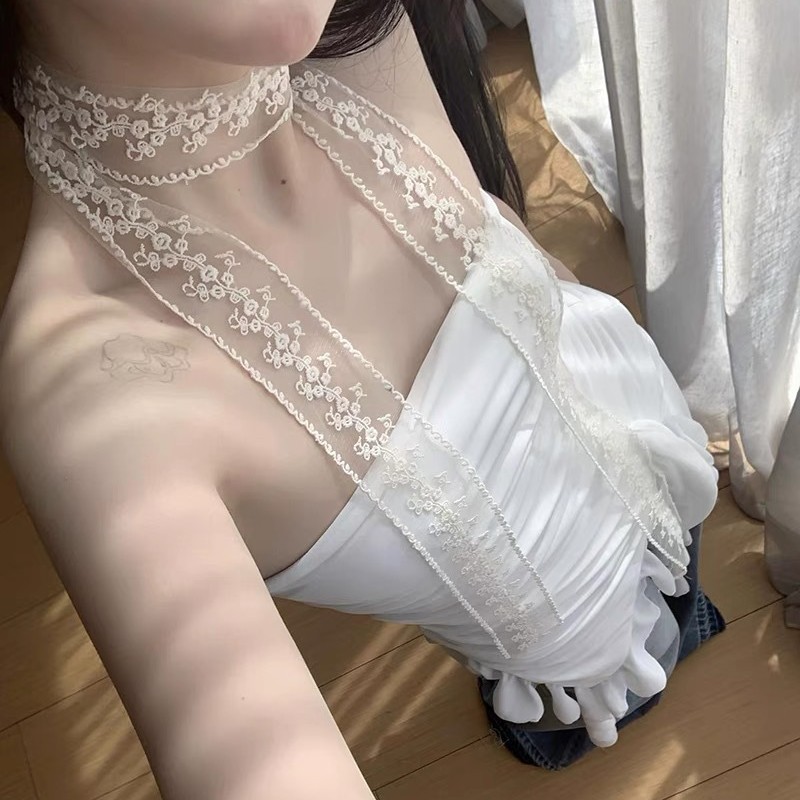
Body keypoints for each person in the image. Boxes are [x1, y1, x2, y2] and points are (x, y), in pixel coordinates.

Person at [0, 1, 723, 798]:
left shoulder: (357, 32)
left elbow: (505, 236)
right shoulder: (103, 404)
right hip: (575, 669)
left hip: (655, 438)